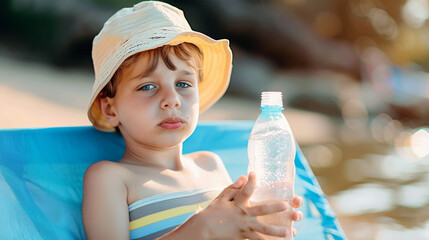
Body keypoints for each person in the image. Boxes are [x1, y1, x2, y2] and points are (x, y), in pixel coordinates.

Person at [82, 1, 303, 239]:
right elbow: (209, 228)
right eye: (147, 86)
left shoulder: (211, 165)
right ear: (110, 109)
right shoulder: (111, 178)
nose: (172, 100)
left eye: (183, 84)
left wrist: (262, 229)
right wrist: (201, 228)